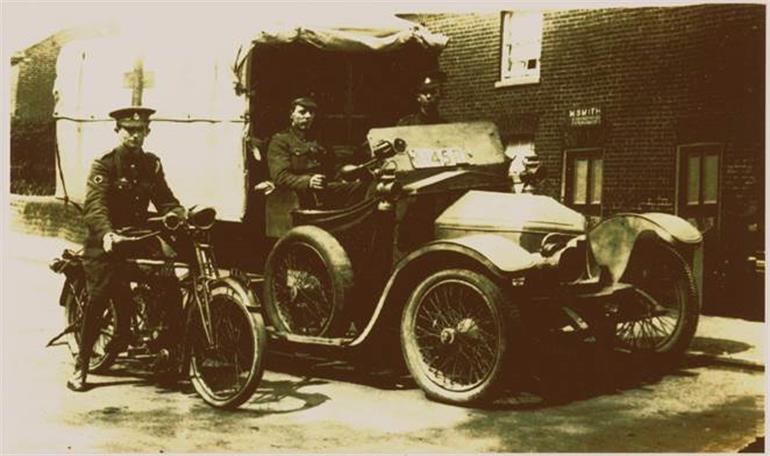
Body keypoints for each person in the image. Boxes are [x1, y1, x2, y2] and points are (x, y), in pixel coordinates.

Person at [67, 106, 185, 392]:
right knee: (99, 295)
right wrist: (107, 233)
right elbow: (95, 206)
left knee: (169, 286)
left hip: (138, 237)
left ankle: (166, 357)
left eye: (140, 129)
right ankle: (81, 366)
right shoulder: (105, 165)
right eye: (129, 130)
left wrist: (177, 214)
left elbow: (165, 199)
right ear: (118, 131)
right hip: (106, 239)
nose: (135, 134)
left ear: (147, 132)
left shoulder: (151, 165)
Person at [267, 96, 366, 209]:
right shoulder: (280, 140)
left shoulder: (319, 139)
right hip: (299, 195)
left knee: (362, 187)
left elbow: (332, 166)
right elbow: (280, 176)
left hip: (323, 190)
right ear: (291, 115)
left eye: (311, 113)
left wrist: (344, 177)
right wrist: (308, 182)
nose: (308, 116)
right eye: (302, 112)